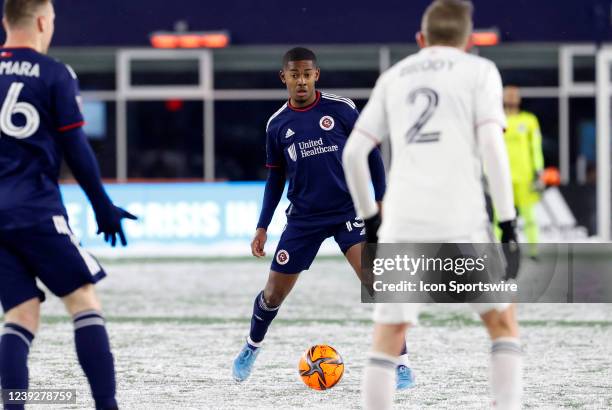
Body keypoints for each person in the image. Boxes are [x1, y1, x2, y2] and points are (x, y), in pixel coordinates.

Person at [342, 1, 522, 409]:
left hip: (403, 220)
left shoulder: (394, 76)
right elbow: (493, 148)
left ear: (421, 40)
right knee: (500, 321)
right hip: (462, 215)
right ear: (469, 41)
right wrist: (508, 224)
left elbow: (354, 154)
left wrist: (371, 223)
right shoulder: (480, 72)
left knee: (388, 335)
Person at [231, 47, 414, 389]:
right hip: (303, 219)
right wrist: (262, 225)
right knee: (272, 295)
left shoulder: (341, 110)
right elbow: (275, 179)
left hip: (349, 211)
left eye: (306, 74)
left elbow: (372, 154)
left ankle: (401, 363)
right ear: (283, 78)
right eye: (294, 75)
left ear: (316, 75)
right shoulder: (277, 124)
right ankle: (251, 347)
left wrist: (380, 198)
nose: (301, 81)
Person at [0, 1, 135, 409]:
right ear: (42, 21)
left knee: (21, 314)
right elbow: (75, 147)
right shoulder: (55, 73)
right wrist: (103, 206)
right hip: (37, 210)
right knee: (82, 299)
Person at [503, 85, 545, 259]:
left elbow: (535, 147)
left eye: (515, 95)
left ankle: (533, 251)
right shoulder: (496, 120)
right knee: (502, 219)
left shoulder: (529, 120)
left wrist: (538, 170)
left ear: (519, 99)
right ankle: (501, 251)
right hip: (502, 178)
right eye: (509, 95)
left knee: (529, 217)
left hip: (525, 177)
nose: (512, 98)